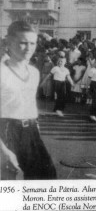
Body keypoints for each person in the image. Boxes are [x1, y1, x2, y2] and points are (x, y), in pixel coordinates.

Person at [0, 21, 56, 180]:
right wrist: (3, 151)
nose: (29, 48)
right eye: (23, 43)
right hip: (5, 131)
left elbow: (29, 104)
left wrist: (34, 130)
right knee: (8, 183)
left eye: (32, 43)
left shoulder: (33, 72)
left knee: (46, 177)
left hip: (30, 131)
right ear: (9, 42)